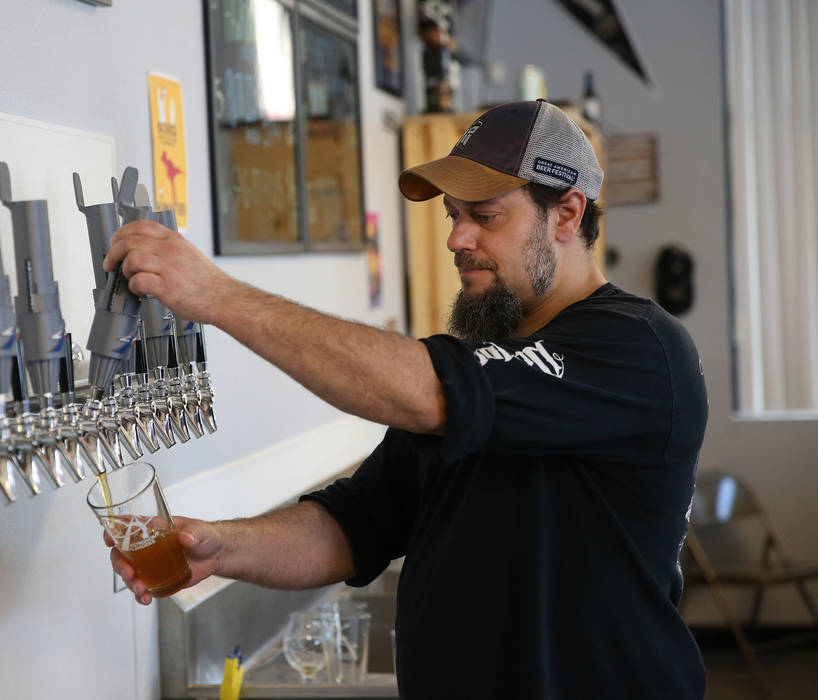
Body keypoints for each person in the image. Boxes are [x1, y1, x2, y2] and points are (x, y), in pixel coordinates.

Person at [102, 99, 708, 699]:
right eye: (452, 215)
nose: (456, 238)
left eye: (485, 216)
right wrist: (221, 546)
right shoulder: (484, 365)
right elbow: (355, 525)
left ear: (567, 214)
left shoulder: (639, 348)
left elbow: (426, 391)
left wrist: (217, 296)